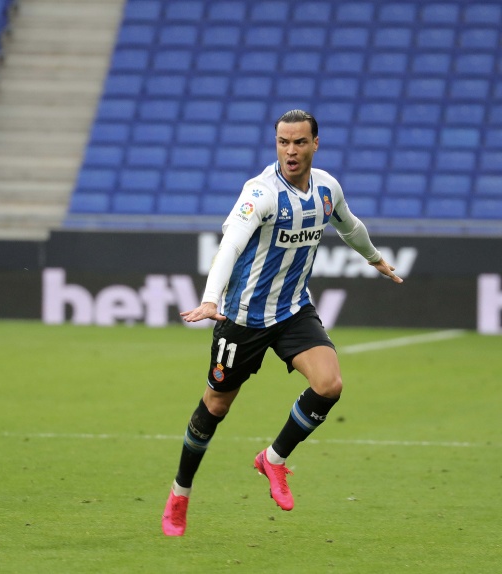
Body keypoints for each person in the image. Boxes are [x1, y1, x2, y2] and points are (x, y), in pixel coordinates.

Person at [161, 110, 403, 536]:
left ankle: (272, 460)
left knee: (329, 385)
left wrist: (374, 258)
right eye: (282, 142)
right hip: (242, 318)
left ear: (315, 144)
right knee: (215, 406)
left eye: (299, 142)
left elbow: (350, 225)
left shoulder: (326, 188)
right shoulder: (260, 193)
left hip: (292, 311)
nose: (290, 151)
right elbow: (230, 246)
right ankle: (180, 493)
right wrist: (210, 299)